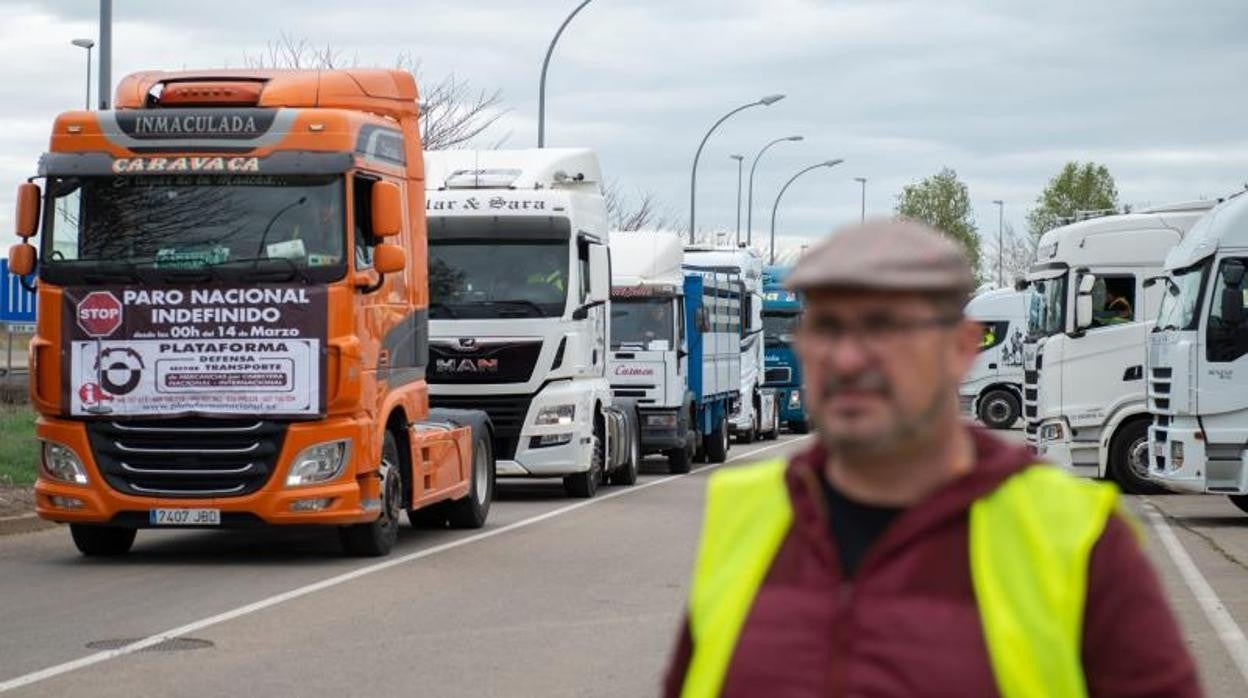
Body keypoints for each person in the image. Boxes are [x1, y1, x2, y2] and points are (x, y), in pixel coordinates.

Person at [663, 219, 1198, 697]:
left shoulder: (1074, 537)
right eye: (827, 328)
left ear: (962, 349)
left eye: (885, 328)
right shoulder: (747, 514)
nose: (848, 358)